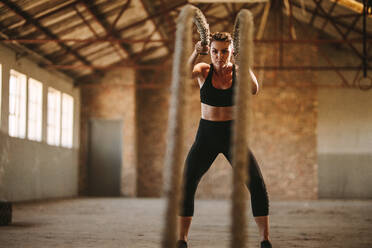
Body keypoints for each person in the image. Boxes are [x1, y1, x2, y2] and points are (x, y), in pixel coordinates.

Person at [176, 32, 272, 248]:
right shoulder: (203, 70)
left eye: (224, 51)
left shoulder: (237, 71)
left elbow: (254, 89)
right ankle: (182, 239)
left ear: (231, 51)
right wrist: (195, 52)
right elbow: (183, 75)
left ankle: (265, 240)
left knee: (256, 183)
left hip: (233, 136)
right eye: (215, 51)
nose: (219, 56)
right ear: (209, 51)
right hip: (206, 136)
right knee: (187, 183)